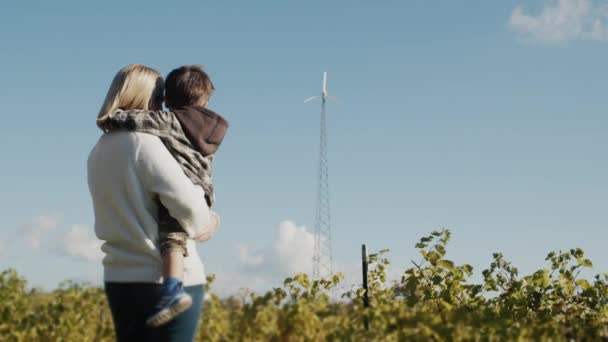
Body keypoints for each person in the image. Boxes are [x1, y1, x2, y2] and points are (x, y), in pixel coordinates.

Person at [88, 64, 216, 341]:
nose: (164, 108)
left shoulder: (99, 149)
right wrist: (211, 220)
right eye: (159, 98)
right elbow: (190, 209)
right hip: (161, 280)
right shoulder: (144, 143)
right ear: (142, 98)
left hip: (119, 278)